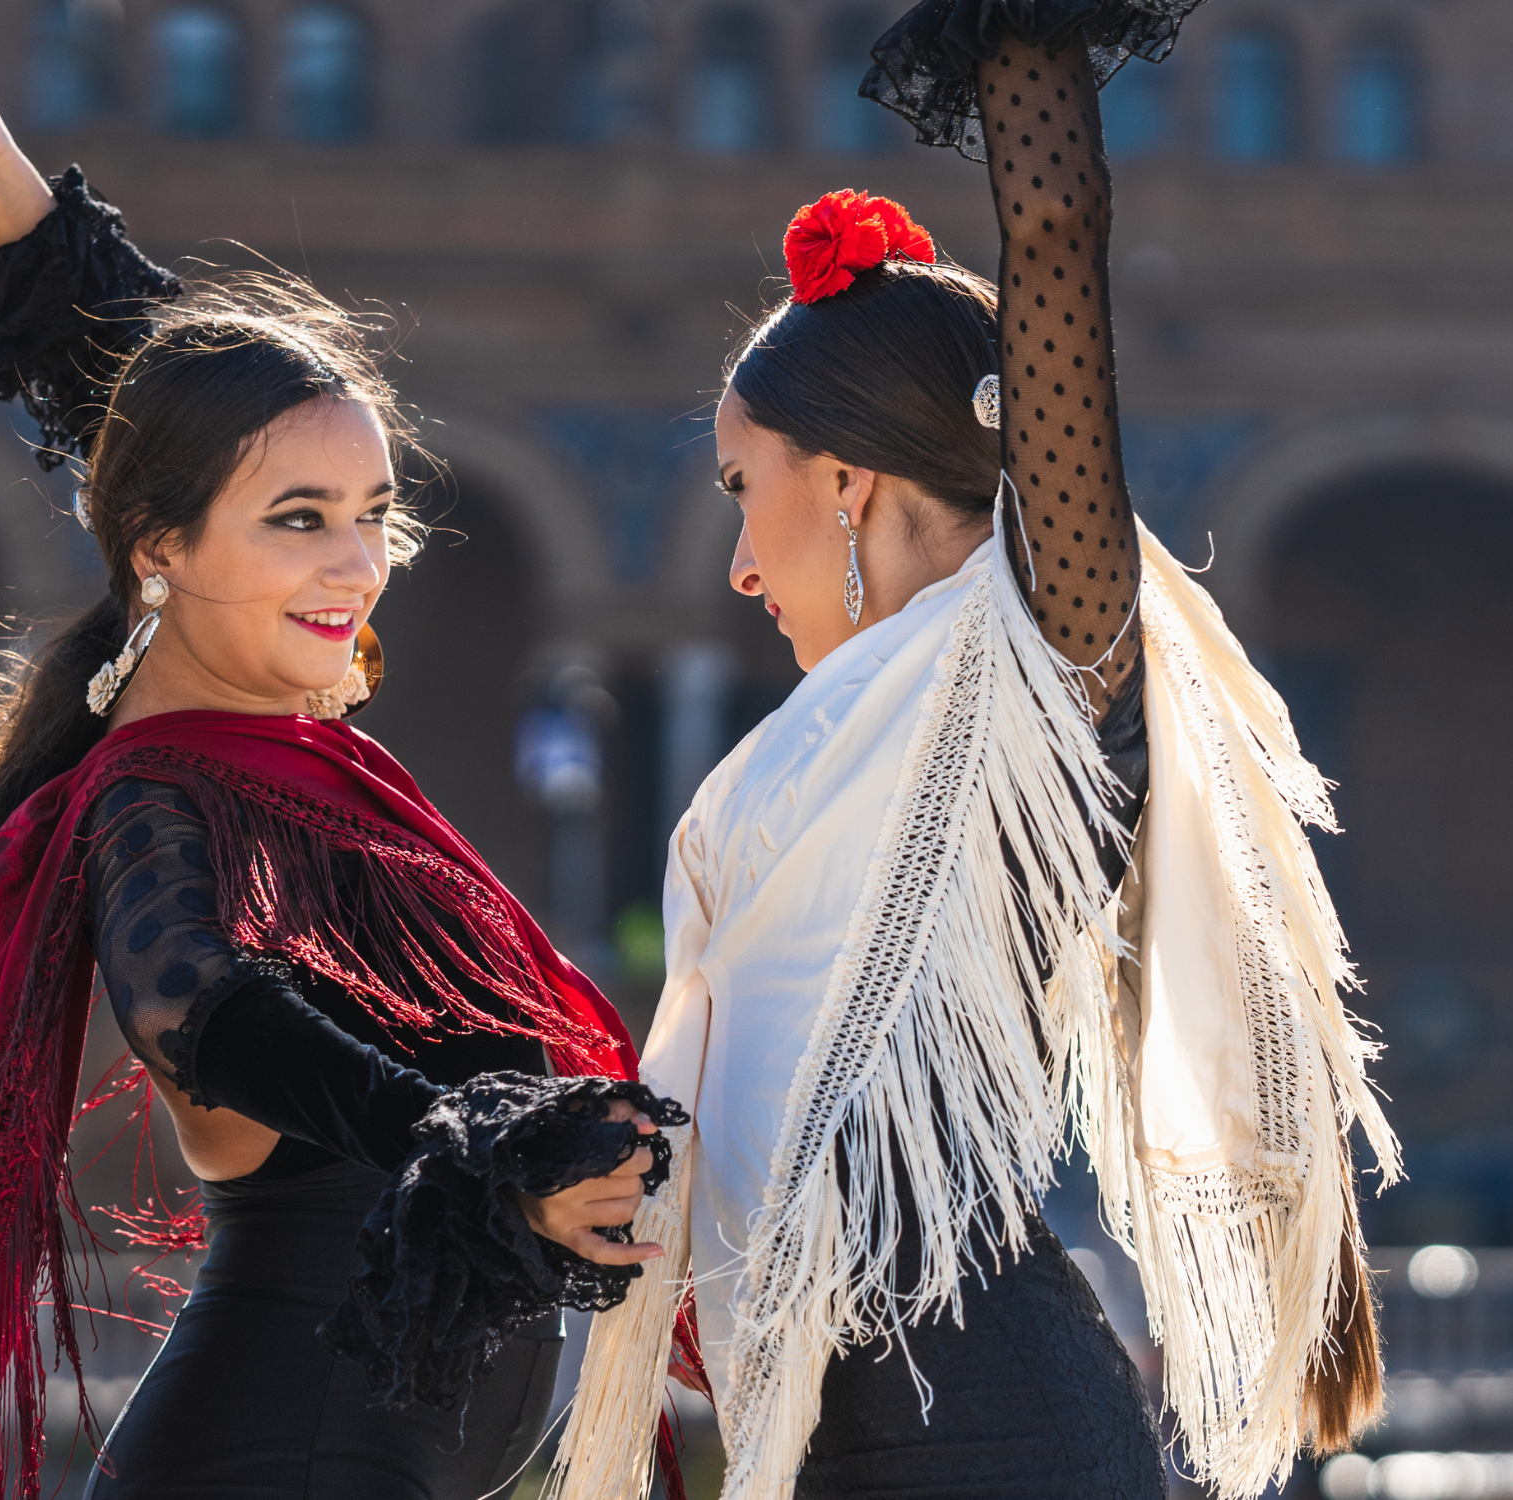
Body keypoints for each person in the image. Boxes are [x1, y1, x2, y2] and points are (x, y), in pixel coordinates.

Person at [0, 8, 688, 1499]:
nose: (356, 563)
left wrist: (7, 190)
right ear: (158, 553)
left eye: (369, 511)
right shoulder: (158, 794)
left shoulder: (289, 766)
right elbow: (199, 1006)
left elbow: (178, 402)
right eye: (298, 522)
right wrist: (470, 1130)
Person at [549, 4, 1404, 1498]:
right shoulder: (815, 748)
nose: (741, 563)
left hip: (987, 1430)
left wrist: (1016, 44)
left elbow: (1060, 234)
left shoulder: (1046, 680)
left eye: (746, 490)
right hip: (846, 1419)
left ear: (848, 483)